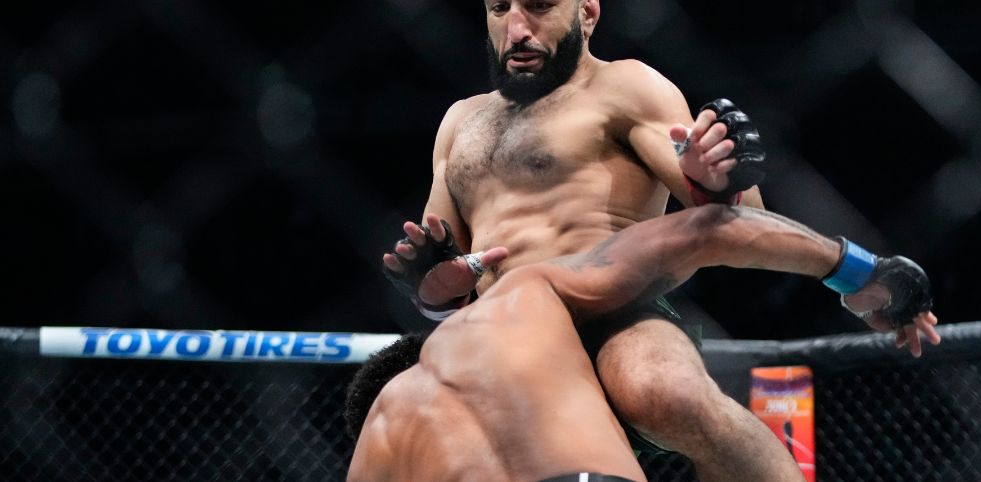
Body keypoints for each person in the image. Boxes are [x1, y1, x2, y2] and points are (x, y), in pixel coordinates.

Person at [379, 0, 847, 479]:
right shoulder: (460, 122)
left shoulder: (625, 87)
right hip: (501, 331)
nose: (517, 27)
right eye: (499, 6)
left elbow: (744, 217)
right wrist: (432, 288)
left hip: (616, 312)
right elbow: (442, 268)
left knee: (668, 394)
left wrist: (716, 182)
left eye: (538, 4)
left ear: (588, 13)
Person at [354, 204, 941, 482]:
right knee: (677, 399)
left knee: (668, 392)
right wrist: (859, 270)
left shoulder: (384, 431)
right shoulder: (520, 296)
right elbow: (706, 228)